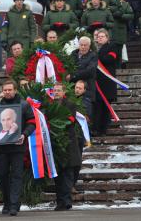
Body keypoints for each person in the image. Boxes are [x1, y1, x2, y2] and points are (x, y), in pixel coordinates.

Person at [0, 80, 36, 216]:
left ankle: (14, 204)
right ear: (2, 91)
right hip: (1, 148)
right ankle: (7, 203)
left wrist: (24, 135)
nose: (7, 92)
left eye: (10, 90)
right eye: (5, 90)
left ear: (15, 90)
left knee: (16, 176)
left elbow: (32, 123)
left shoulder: (24, 105)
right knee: (2, 175)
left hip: (17, 148)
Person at [52, 82, 81, 211]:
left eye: (59, 90)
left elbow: (70, 120)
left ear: (64, 92)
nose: (56, 92)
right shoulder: (50, 105)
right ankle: (60, 202)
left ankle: (66, 201)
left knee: (67, 175)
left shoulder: (70, 104)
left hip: (68, 144)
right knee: (57, 176)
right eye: (55, 91)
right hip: (56, 145)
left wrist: (56, 124)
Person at [93, 29, 118, 136]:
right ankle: (96, 128)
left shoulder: (112, 47)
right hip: (96, 82)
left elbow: (110, 59)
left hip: (107, 82)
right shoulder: (93, 48)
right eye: (98, 36)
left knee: (106, 107)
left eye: (102, 36)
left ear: (107, 38)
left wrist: (97, 57)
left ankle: (103, 130)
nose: (100, 38)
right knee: (97, 107)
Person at [67, 36, 98, 103]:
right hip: (73, 88)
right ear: (79, 45)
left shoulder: (93, 56)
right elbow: (68, 67)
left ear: (89, 46)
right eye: (81, 45)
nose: (83, 47)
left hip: (87, 90)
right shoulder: (73, 54)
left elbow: (89, 71)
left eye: (85, 45)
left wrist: (73, 76)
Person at [110, 0, 134, 68]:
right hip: (110, 32)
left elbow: (131, 15)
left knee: (119, 54)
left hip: (120, 33)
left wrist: (121, 16)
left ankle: (119, 69)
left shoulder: (125, 4)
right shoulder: (109, 5)